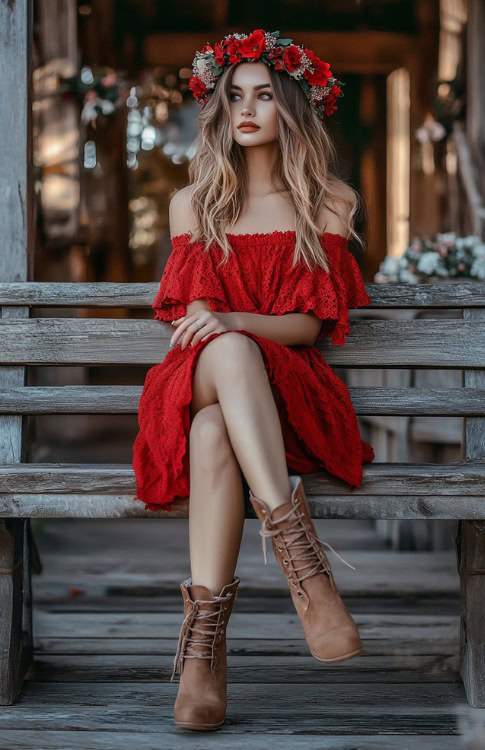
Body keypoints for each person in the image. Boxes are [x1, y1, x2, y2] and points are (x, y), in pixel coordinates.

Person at [132, 28, 375, 731]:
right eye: (233, 95)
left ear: (291, 106)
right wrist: (225, 324)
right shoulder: (194, 204)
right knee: (225, 362)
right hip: (198, 376)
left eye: (265, 95)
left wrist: (233, 318)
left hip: (284, 396)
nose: (246, 109)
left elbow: (306, 327)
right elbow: (194, 323)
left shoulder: (327, 201)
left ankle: (203, 656)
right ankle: (308, 573)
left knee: (216, 429)